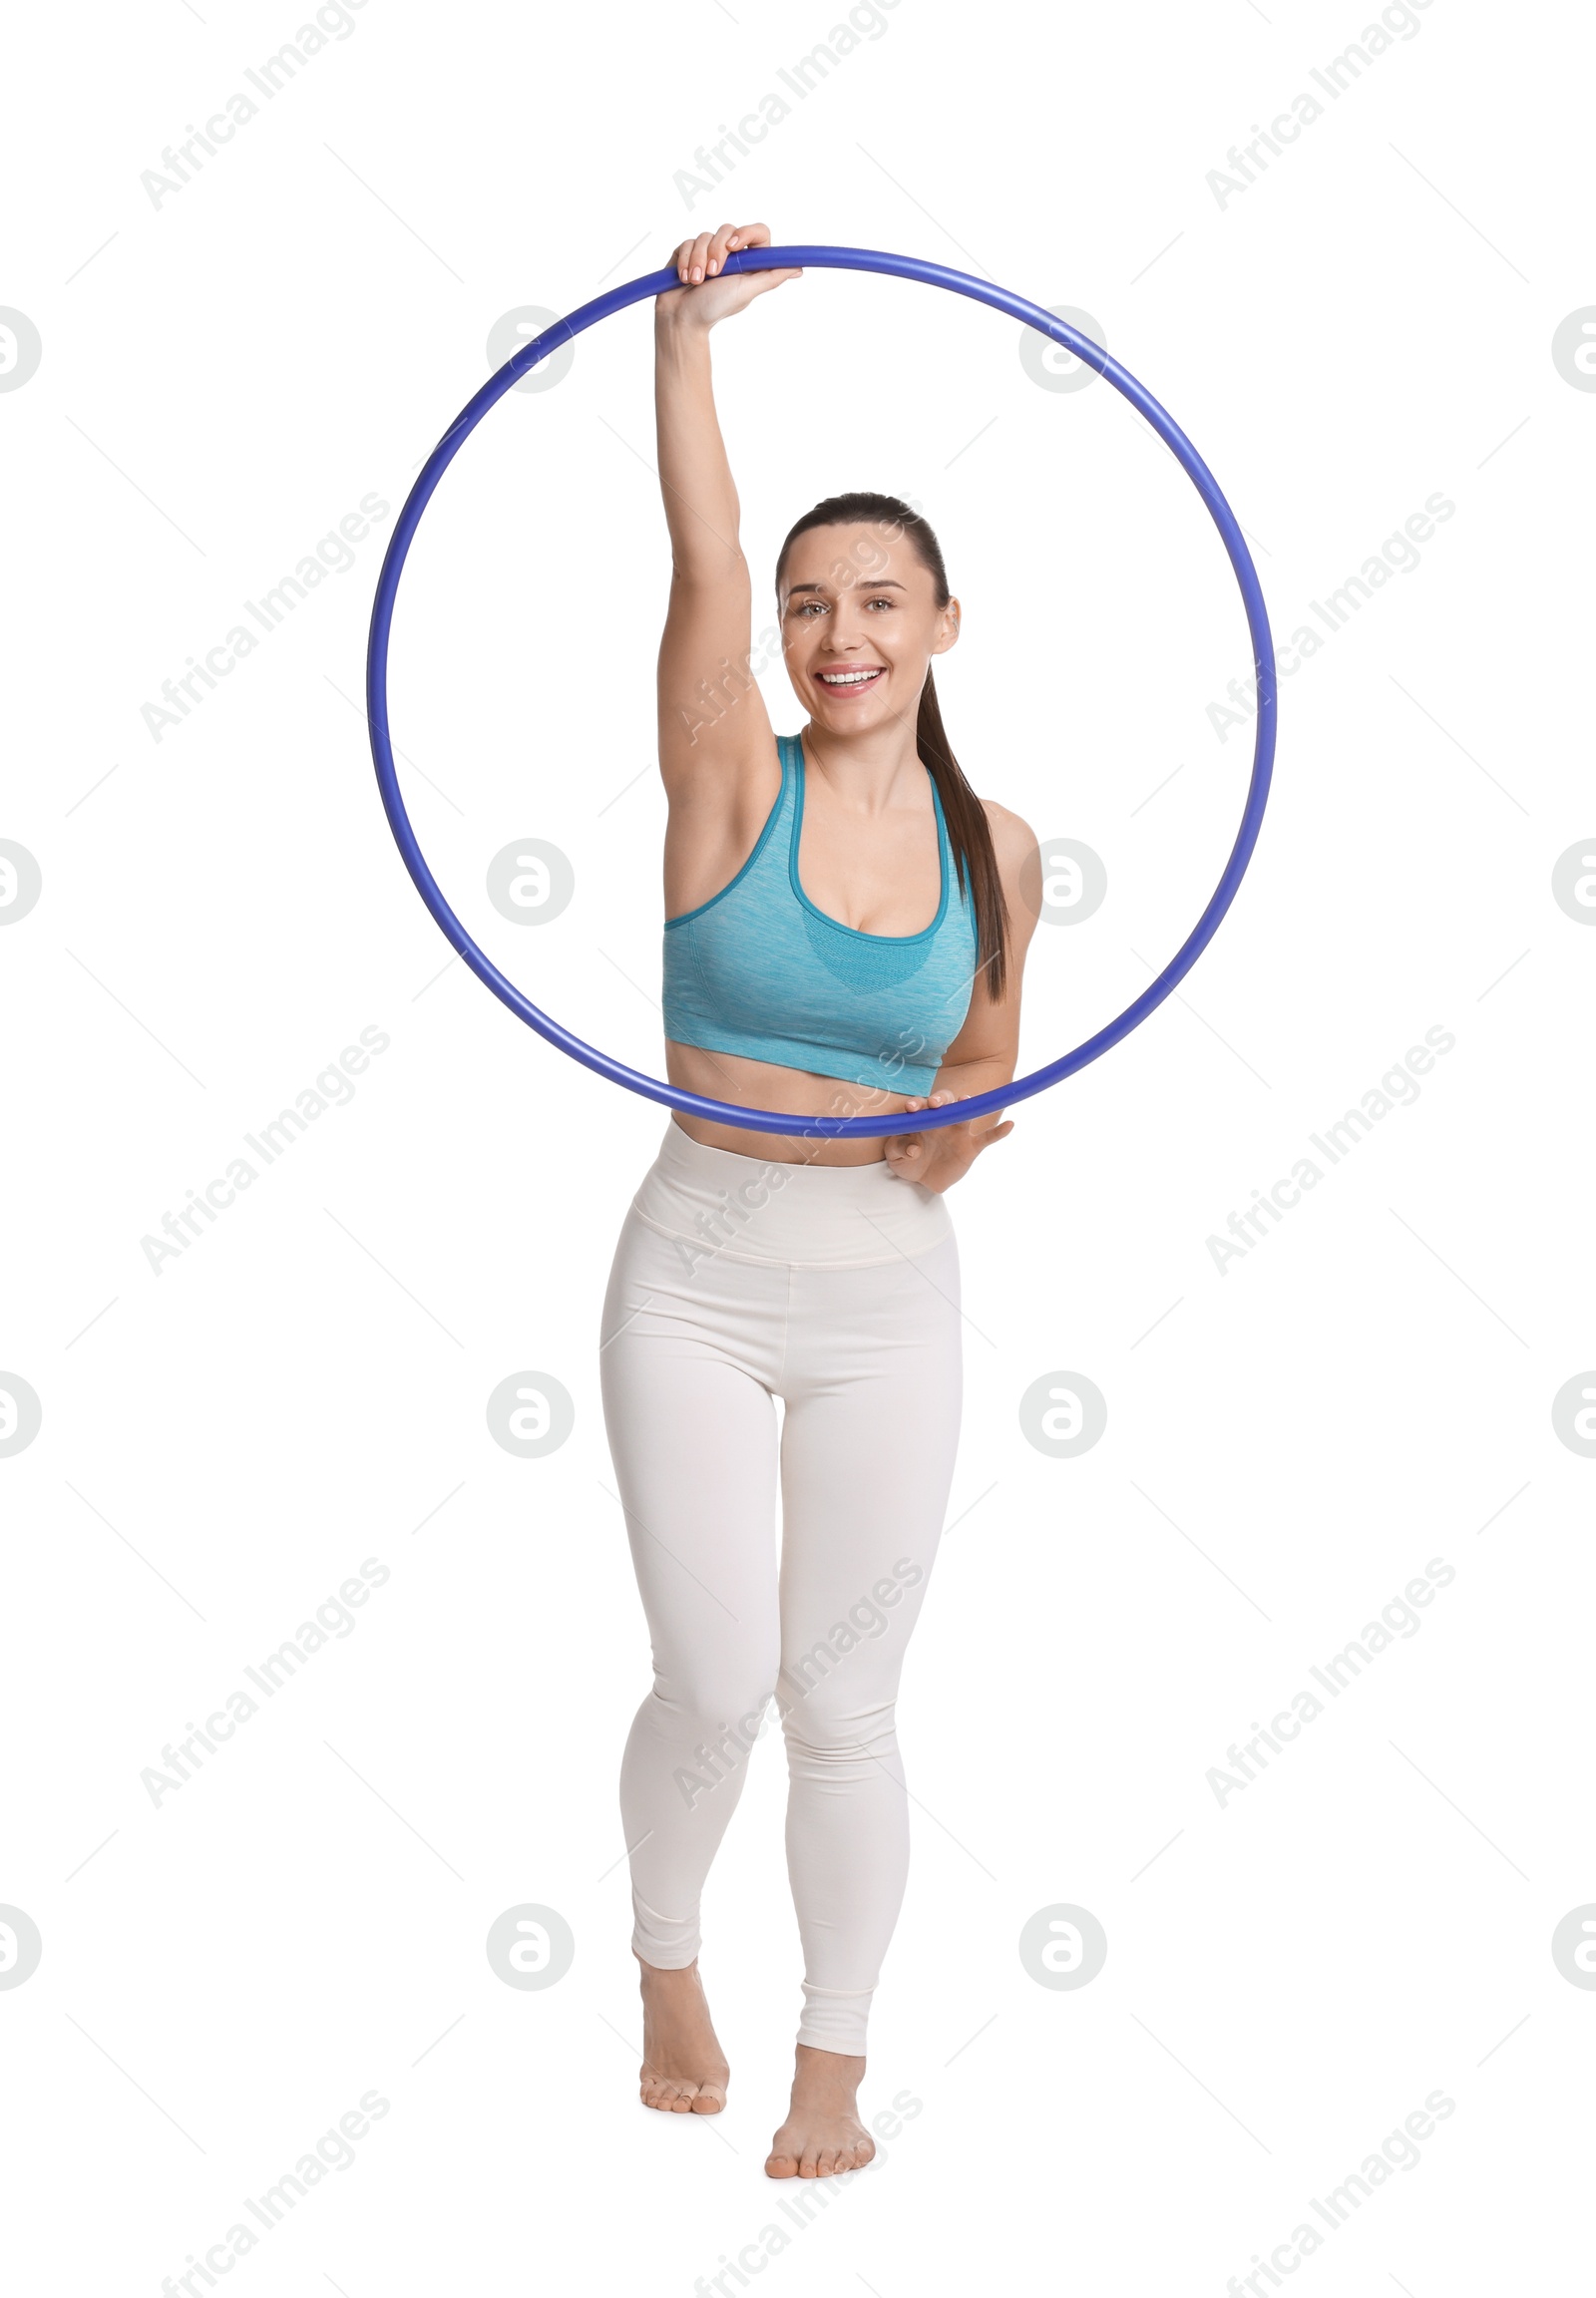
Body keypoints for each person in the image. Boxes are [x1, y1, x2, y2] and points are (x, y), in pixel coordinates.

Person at [598, 218, 1039, 2179]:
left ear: (944, 622)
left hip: (886, 1291)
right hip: (694, 1265)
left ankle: (834, 2065)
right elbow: (697, 558)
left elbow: (980, 1058)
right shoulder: (724, 788)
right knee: (711, 1680)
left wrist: (953, 1131)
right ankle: (664, 1954)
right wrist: (681, 349)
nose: (832, 631)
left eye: (875, 598)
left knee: (836, 1698)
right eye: (804, 605)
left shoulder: (998, 845)